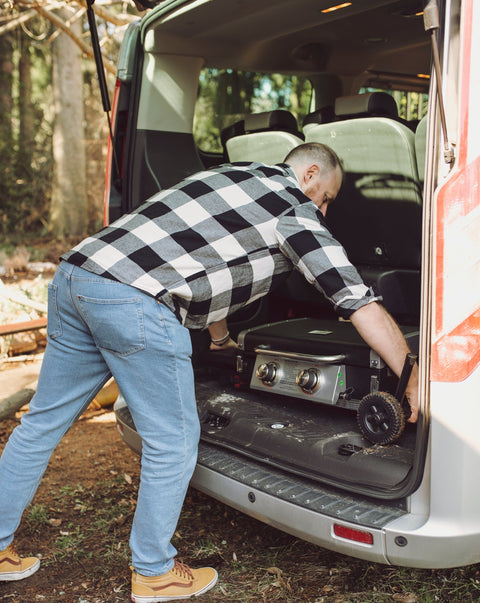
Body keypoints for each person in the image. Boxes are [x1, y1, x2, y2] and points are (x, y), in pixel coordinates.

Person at [0, 143, 418, 601]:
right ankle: (154, 572)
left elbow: (203, 264)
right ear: (311, 173)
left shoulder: (233, 176)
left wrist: (220, 339)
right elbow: (354, 297)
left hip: (77, 276)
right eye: (327, 197)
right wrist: (409, 373)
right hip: (134, 299)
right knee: (173, 441)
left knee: (40, 423)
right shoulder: (294, 210)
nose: (324, 209)